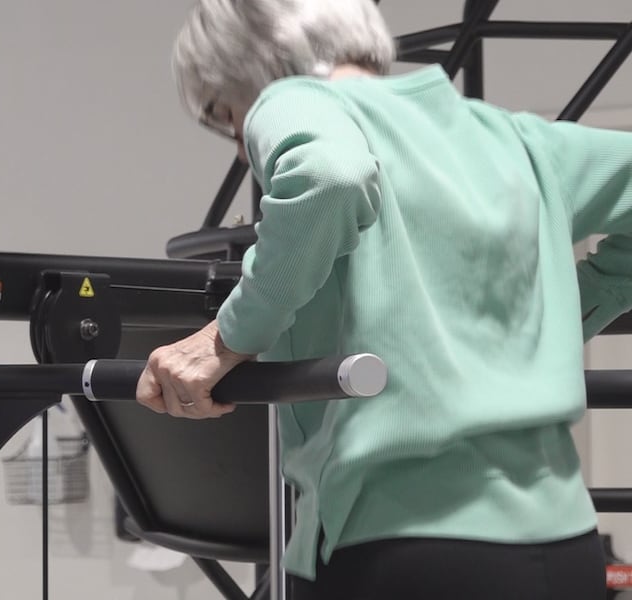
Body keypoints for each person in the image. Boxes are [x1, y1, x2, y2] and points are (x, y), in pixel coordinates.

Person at [137, 0, 632, 597]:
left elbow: (330, 175)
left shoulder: (296, 98)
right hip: (563, 548)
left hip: (399, 550)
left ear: (247, 68)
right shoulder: (510, 136)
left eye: (224, 118)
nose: (243, 150)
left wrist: (227, 338)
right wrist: (568, 311)